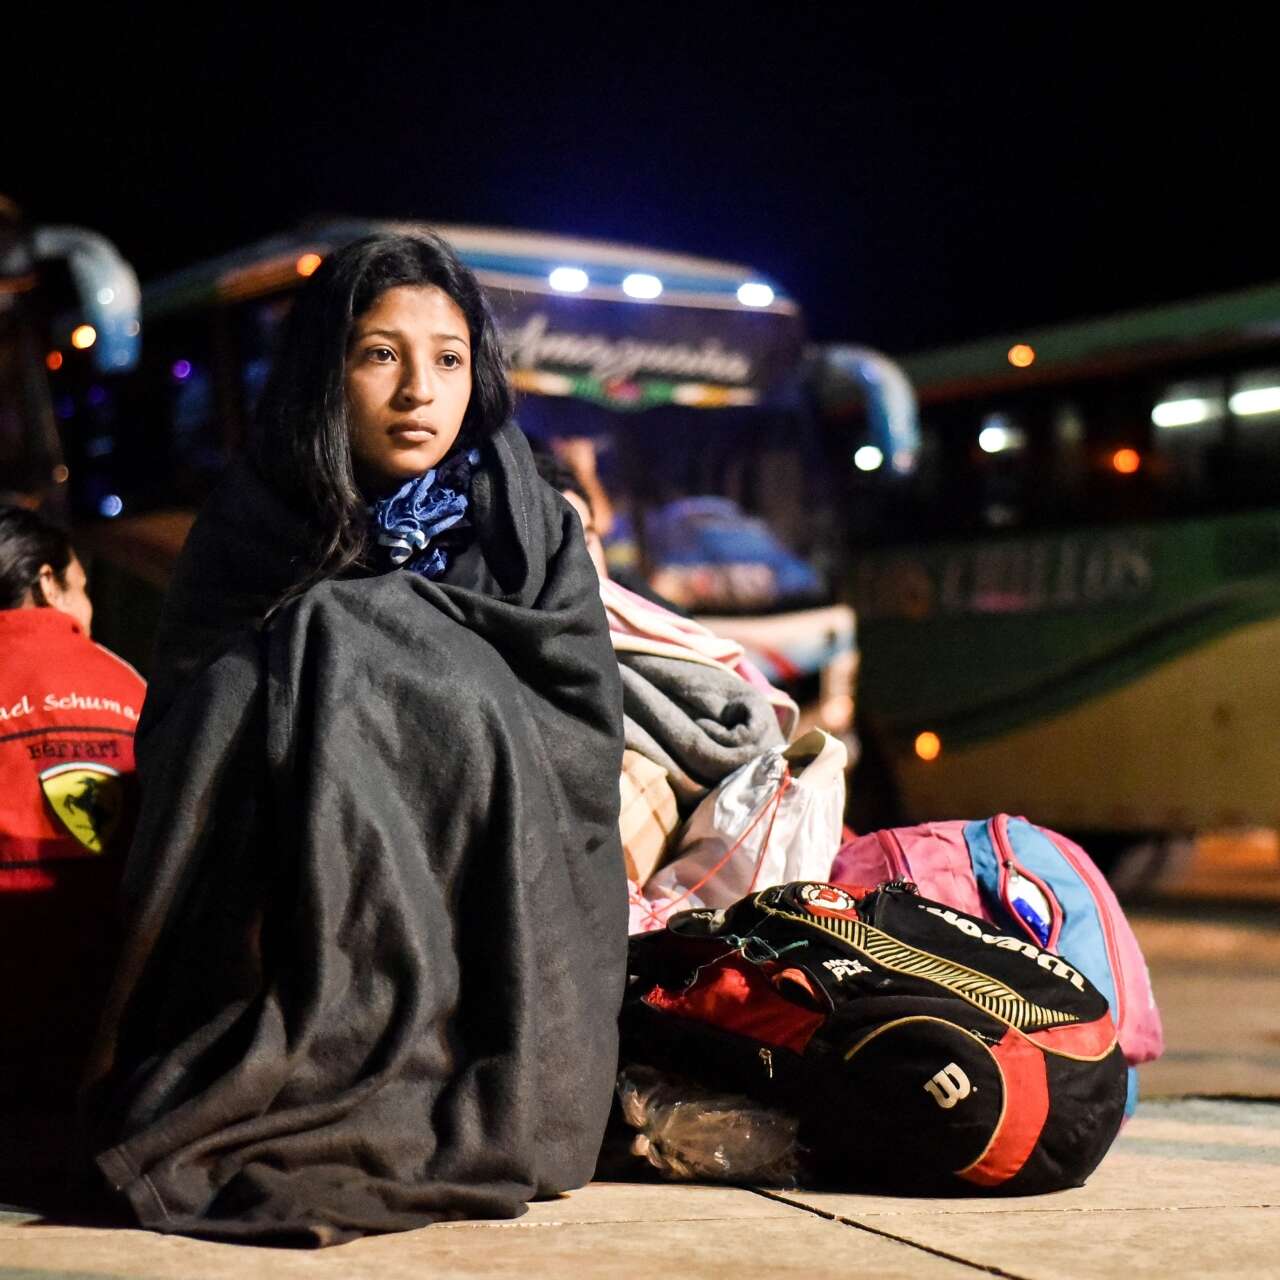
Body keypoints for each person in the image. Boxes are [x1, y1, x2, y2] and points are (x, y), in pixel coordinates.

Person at [85, 232, 627, 1245]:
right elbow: (189, 733)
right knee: (308, 643)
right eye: (379, 352)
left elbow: (579, 742)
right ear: (323, 370)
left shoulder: (526, 527)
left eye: (450, 357)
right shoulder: (253, 517)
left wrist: (380, 650)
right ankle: (314, 1050)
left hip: (498, 935)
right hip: (279, 925)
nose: (420, 387)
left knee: (339, 628)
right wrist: (325, 667)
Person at [0, 506, 145, 1169]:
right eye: (84, 589)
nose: (88, 610)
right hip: (107, 1032)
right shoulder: (127, 683)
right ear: (50, 581)